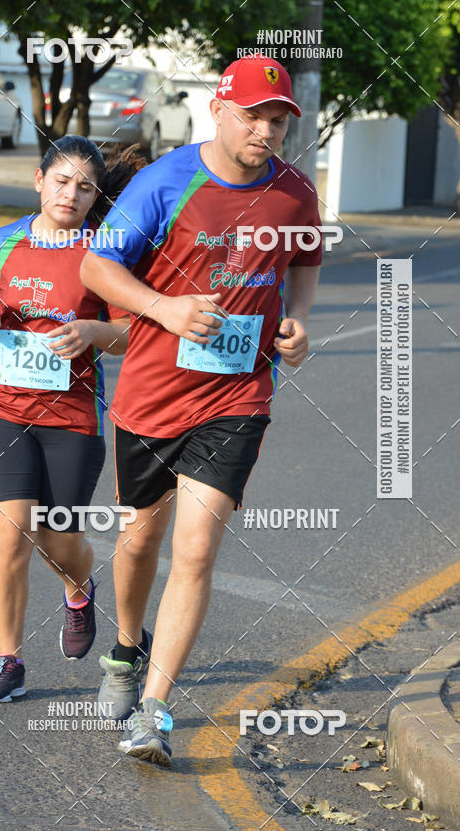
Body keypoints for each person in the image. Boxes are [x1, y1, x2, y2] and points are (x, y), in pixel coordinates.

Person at [79, 56, 322, 765]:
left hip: (238, 395)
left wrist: (300, 317)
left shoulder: (294, 193)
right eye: (255, 116)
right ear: (219, 109)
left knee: (195, 550)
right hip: (150, 397)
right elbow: (99, 266)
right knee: (138, 544)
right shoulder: (164, 183)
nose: (267, 131)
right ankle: (126, 650)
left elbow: (305, 258)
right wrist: (165, 308)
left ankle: (152, 713)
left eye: (277, 120)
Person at [0, 136, 145, 703]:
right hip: (1, 409)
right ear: (39, 180)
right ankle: (6, 661)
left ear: (95, 195)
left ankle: (79, 590)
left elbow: (133, 330)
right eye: (62, 181)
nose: (72, 194)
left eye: (85, 186)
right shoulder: (1, 242)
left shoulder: (104, 254)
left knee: (57, 540)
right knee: (9, 537)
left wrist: (93, 332)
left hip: (73, 417)